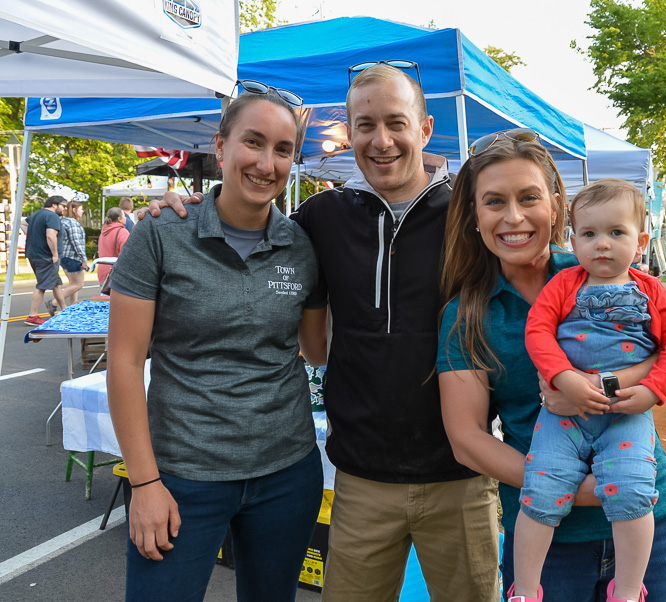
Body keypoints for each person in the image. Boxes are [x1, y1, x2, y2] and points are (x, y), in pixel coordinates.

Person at [142, 63, 500, 601]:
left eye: (396, 123)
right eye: (365, 125)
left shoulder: (471, 219)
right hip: (360, 480)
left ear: (425, 129)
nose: (381, 140)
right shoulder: (320, 217)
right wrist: (186, 207)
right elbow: (252, 231)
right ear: (348, 133)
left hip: (462, 475)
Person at [437, 132, 666, 602]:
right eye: (494, 201)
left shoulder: (602, 265)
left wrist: (599, 387)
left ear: (556, 208)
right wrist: (584, 487)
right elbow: (467, 442)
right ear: (474, 216)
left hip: (648, 519)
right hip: (552, 537)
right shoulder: (467, 315)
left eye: (529, 198)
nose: (513, 217)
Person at [106, 83, 327, 601]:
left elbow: (318, 350)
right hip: (182, 475)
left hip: (287, 472)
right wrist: (144, 482)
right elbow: (123, 362)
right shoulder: (161, 233)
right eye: (253, 142)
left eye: (283, 149)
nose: (266, 164)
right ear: (221, 146)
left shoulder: (302, 245)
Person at [511, 179, 666, 602]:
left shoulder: (651, 291)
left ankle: (627, 590)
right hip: (564, 415)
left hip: (627, 415)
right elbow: (538, 331)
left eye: (616, 232)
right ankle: (526, 590)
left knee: (634, 490)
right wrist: (564, 377)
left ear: (641, 241)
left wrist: (653, 390)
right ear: (574, 241)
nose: (603, 244)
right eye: (590, 234)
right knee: (540, 489)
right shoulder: (564, 284)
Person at [23, 196, 67, 326]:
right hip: (46, 256)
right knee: (42, 285)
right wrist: (54, 254)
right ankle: (32, 316)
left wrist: (34, 236)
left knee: (57, 284)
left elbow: (23, 223)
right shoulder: (52, 216)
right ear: (54, 205)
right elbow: (50, 236)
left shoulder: (37, 214)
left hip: (34, 254)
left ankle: (64, 310)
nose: (65, 209)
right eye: (63, 206)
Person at [48, 200, 89, 313]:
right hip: (73, 257)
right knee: (79, 284)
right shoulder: (72, 223)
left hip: (64, 257)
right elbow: (76, 242)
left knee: (73, 284)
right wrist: (83, 259)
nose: (83, 211)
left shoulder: (63, 221)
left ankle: (72, 307)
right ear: (74, 210)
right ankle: (53, 302)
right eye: (81, 209)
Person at [96, 207, 130, 288]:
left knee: (105, 294)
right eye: (124, 216)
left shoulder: (103, 232)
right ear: (119, 219)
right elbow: (127, 255)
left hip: (102, 270)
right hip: (116, 272)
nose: (126, 218)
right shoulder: (122, 232)